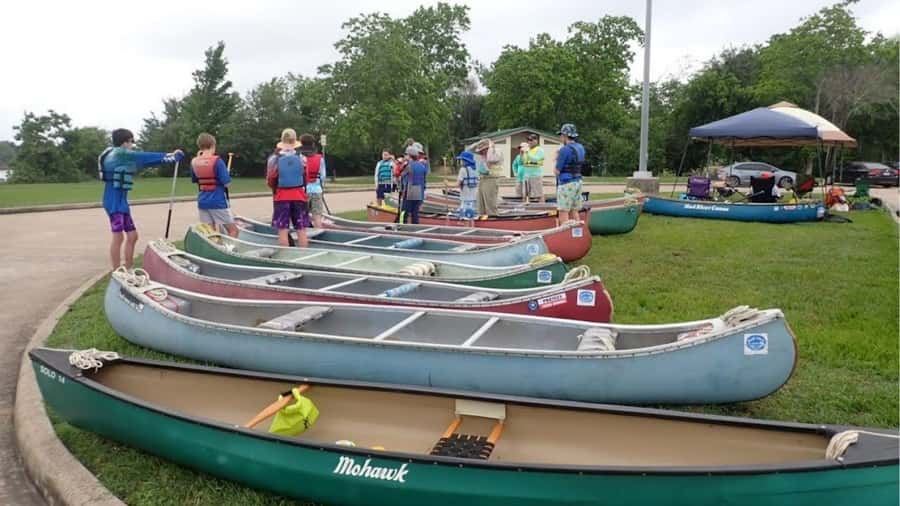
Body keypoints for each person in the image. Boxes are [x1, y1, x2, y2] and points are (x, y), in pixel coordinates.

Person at [99, 128, 183, 270]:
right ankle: (116, 271)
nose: (132, 145)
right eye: (131, 142)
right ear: (124, 142)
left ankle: (129, 268)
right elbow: (144, 157)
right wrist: (170, 156)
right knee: (118, 236)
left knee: (132, 236)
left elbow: (145, 161)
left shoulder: (123, 155)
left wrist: (169, 158)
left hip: (121, 202)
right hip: (113, 202)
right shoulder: (119, 154)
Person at [266, 128, 309, 247]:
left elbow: (270, 179)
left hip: (281, 197)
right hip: (299, 196)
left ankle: (285, 256)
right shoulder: (302, 158)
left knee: (282, 230)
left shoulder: (274, 159)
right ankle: (303, 256)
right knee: (301, 230)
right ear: (295, 141)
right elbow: (307, 178)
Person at [190, 133, 238, 237]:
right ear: (213, 145)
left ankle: (213, 250)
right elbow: (227, 183)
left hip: (202, 201)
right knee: (233, 231)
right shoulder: (218, 161)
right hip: (217, 201)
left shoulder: (194, 162)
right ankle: (227, 251)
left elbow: (195, 180)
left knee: (210, 233)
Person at [554, 123, 586, 224]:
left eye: (561, 135)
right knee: (574, 210)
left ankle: (565, 234)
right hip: (578, 182)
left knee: (563, 211)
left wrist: (556, 157)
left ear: (565, 136)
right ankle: (578, 233)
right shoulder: (580, 147)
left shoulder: (564, 150)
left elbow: (556, 171)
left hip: (566, 183)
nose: (560, 138)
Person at [298, 133, 326, 227]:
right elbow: (323, 176)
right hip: (317, 190)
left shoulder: (300, 158)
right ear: (313, 144)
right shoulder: (320, 158)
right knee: (317, 217)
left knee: (302, 216)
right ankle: (319, 238)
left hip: (303, 191)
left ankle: (303, 237)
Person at [399, 145, 429, 224]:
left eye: (406, 155)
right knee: (415, 213)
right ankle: (415, 227)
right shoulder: (422, 166)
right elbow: (424, 182)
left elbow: (400, 174)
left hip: (409, 189)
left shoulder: (408, 165)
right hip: (419, 190)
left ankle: (402, 226)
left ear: (409, 156)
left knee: (404, 212)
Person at [474, 139, 503, 216]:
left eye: (483, 150)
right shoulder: (483, 156)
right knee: (480, 203)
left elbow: (491, 159)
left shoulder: (496, 152)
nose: (482, 152)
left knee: (490, 203)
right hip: (483, 179)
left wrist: (490, 147)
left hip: (491, 179)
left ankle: (492, 217)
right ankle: (482, 217)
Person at [455, 150, 479, 226]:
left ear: (465, 161)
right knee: (472, 217)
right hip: (474, 197)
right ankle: (472, 229)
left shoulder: (463, 170)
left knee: (465, 217)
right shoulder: (475, 169)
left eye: (461, 160)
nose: (461, 161)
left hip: (465, 197)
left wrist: (447, 184)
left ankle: (466, 229)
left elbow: (458, 183)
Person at [522, 133, 546, 203]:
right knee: (525, 194)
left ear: (536, 141)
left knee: (539, 194)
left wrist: (527, 153)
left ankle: (543, 208)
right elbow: (524, 161)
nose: (529, 142)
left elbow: (536, 159)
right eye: (528, 140)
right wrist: (522, 154)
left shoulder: (540, 150)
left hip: (535, 175)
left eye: (531, 140)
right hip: (526, 175)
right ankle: (524, 210)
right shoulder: (527, 150)